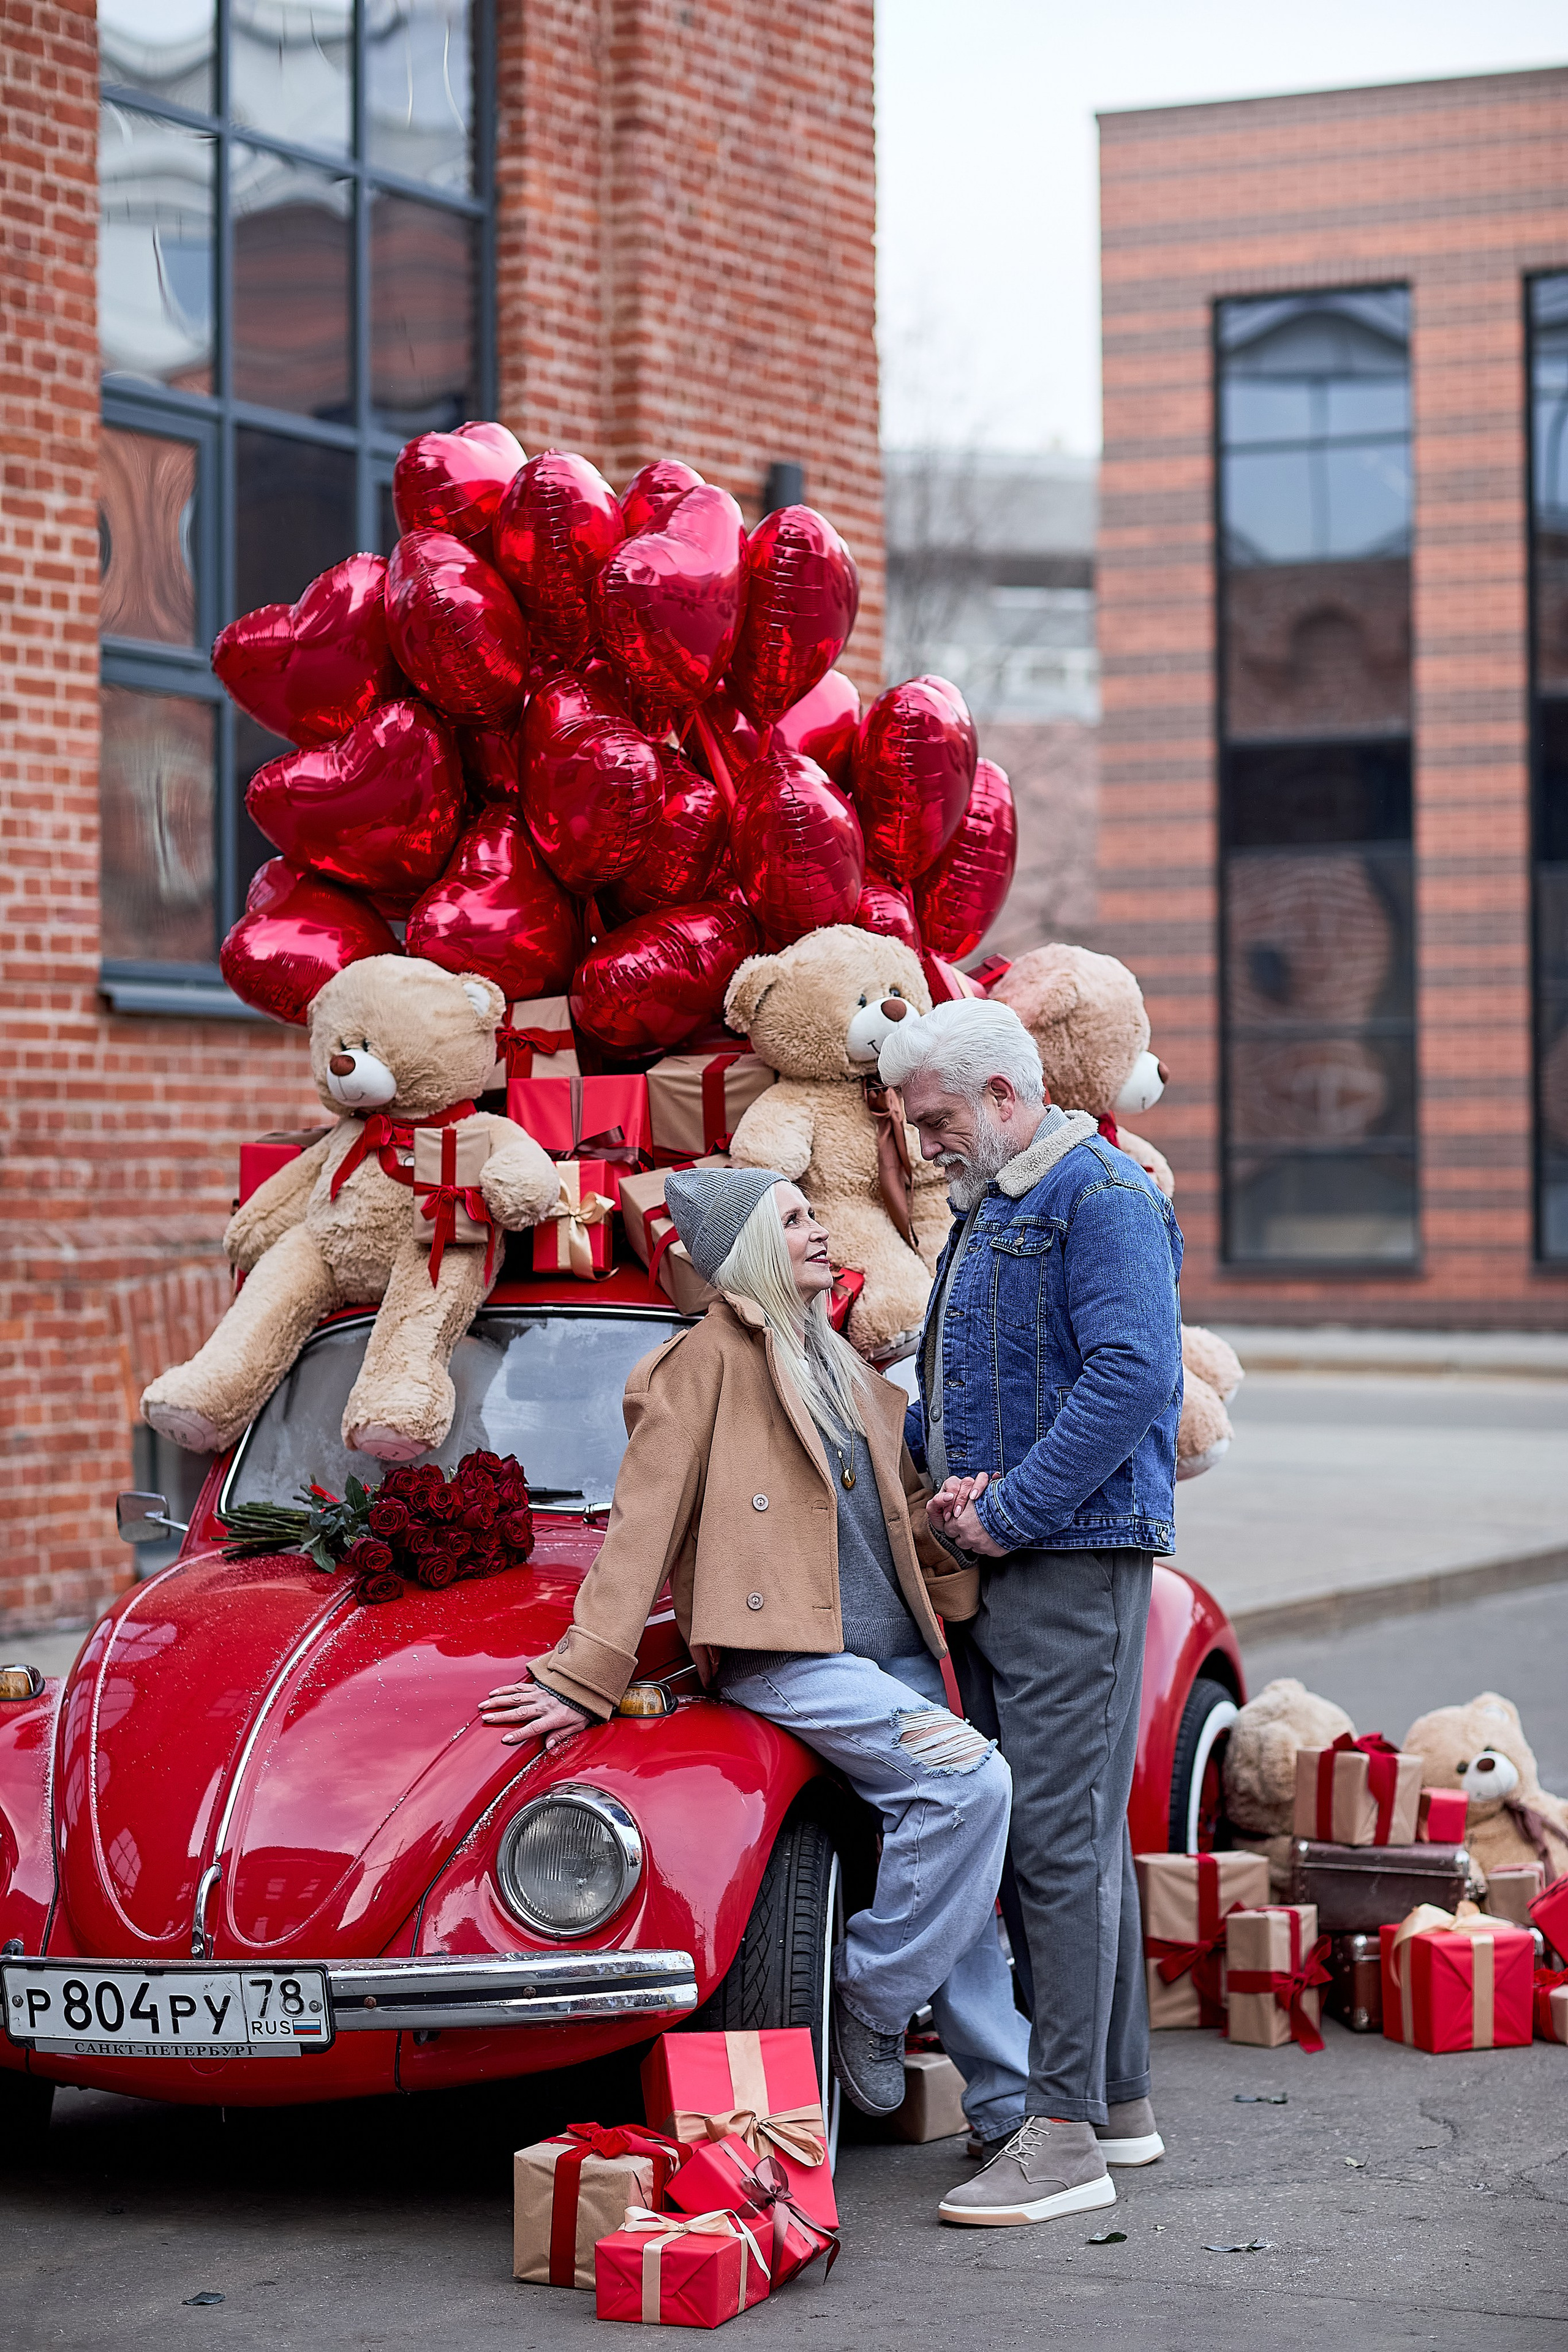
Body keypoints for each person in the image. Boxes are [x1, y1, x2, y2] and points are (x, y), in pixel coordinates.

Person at [480, 1164, 1030, 2138]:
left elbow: (897, 1521)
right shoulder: (699, 1367)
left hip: (900, 1653)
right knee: (972, 1789)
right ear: (746, 1252)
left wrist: (969, 1560)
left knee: (968, 1872)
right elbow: (640, 1529)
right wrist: (584, 1675)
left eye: (816, 1212)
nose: (820, 1230)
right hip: (792, 1655)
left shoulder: (846, 1364)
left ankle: (1007, 2110)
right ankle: (870, 1996)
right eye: (794, 1218)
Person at [876, 996, 1183, 2230]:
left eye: (938, 1119)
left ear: (1004, 1095)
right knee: (1067, 1840)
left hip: (1067, 1558)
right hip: (1025, 1555)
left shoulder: (1094, 1196)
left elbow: (1131, 1374)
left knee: (1053, 1844)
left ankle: (1059, 2142)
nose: (924, 1145)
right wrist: (919, 1450)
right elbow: (972, 1375)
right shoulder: (1003, 1203)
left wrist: (1007, 1510)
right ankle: (1114, 2106)